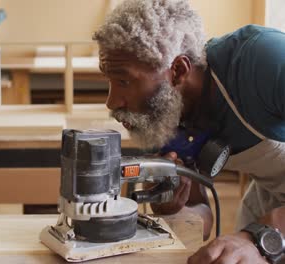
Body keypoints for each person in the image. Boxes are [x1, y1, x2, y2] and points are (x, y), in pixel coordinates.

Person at [93, 0, 285, 263]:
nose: (111, 102)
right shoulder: (160, 117)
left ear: (178, 70)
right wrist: (174, 209)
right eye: (109, 80)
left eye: (124, 81)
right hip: (271, 200)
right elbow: (202, 217)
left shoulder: (263, 61)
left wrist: (262, 238)